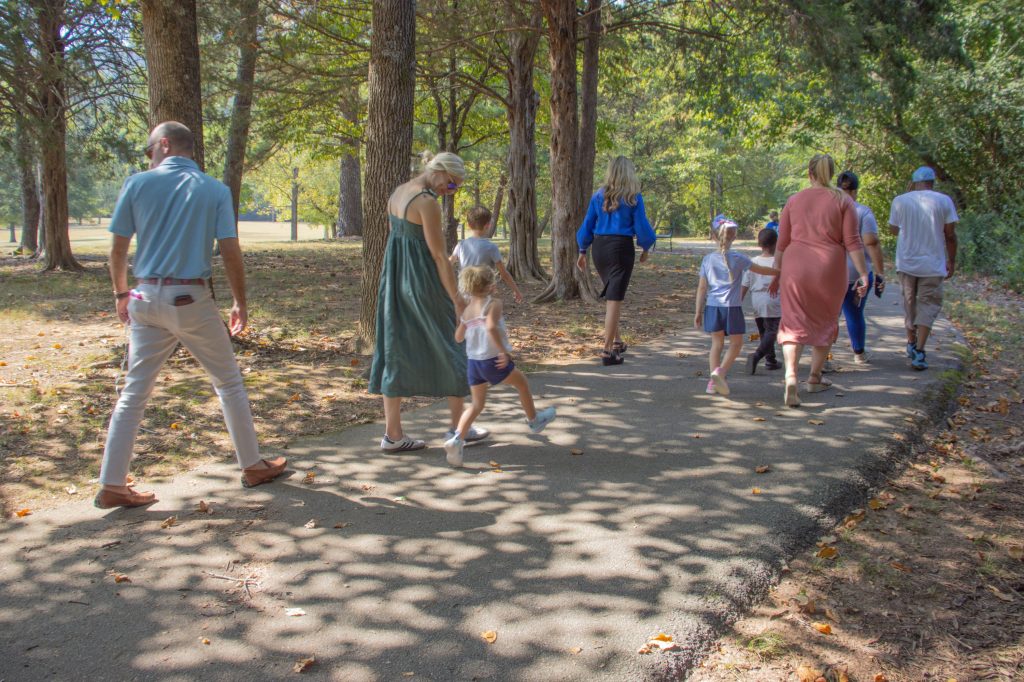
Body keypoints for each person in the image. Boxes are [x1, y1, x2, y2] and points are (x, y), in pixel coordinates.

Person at [96, 121, 286, 509]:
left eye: (149, 150)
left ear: (163, 145)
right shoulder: (214, 190)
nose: (149, 157)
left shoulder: (137, 184)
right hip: (190, 298)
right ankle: (252, 465)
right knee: (228, 383)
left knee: (134, 392)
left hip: (144, 295)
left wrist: (120, 293)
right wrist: (239, 301)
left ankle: (112, 482)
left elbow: (117, 250)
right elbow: (230, 250)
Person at [368, 151, 488, 451]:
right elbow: (438, 256)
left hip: (395, 280)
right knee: (453, 342)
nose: (451, 191)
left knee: (394, 348)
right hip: (422, 282)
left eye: (455, 187)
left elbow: (395, 238)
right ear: (440, 172)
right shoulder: (426, 203)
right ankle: (458, 428)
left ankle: (393, 435)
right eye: (451, 184)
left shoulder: (398, 192)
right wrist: (457, 300)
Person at [770, 154, 869, 407]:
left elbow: (782, 243)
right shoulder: (843, 200)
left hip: (796, 266)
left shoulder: (794, 200)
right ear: (831, 173)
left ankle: (791, 375)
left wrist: (777, 272)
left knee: (793, 321)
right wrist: (865, 272)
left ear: (809, 173)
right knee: (825, 320)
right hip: (830, 268)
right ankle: (814, 378)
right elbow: (853, 242)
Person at [443, 266, 557, 467]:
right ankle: (534, 420)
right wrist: (503, 351)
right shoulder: (493, 304)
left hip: (473, 363)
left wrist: (466, 323)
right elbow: (490, 327)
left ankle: (457, 439)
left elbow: (458, 337)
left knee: (476, 405)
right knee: (521, 383)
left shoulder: (468, 309)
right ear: (491, 286)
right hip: (492, 360)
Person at [576, 156, 657, 366]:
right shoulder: (633, 197)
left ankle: (618, 341)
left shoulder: (598, 196)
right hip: (621, 248)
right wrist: (646, 247)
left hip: (599, 248)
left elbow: (587, 225)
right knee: (614, 299)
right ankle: (607, 351)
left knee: (613, 296)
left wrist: (582, 250)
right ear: (629, 172)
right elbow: (643, 227)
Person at [694, 218, 779, 396]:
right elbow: (760, 270)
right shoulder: (738, 258)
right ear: (733, 237)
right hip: (731, 308)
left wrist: (698, 311)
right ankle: (720, 372)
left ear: (714, 237)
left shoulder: (707, 259)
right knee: (736, 344)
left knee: (716, 344)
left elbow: (702, 288)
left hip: (712, 307)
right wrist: (779, 272)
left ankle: (712, 383)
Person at [888, 166, 959, 371]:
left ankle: (910, 341)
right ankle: (919, 350)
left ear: (913, 182)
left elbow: (893, 230)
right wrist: (951, 261)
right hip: (933, 264)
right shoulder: (944, 201)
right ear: (933, 182)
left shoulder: (900, 200)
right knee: (928, 305)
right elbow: (950, 235)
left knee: (909, 303)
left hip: (907, 262)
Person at [836, 171, 886, 364]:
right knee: (854, 314)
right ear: (855, 190)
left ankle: (823, 359)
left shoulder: (827, 210)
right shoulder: (862, 212)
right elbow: (871, 242)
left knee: (830, 316)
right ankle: (859, 353)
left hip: (829, 274)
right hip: (856, 273)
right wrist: (880, 272)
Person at [449, 206, 523, 303]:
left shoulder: (461, 245)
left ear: (468, 225)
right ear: (487, 225)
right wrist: (516, 290)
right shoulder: (491, 247)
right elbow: (504, 273)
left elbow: (448, 263)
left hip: (464, 294)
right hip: (483, 296)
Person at [742, 228, 782, 374]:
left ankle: (771, 360)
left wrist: (737, 301)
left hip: (756, 300)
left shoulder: (753, 262)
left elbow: (745, 284)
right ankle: (757, 355)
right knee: (772, 331)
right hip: (773, 298)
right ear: (776, 243)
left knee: (764, 331)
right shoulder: (778, 262)